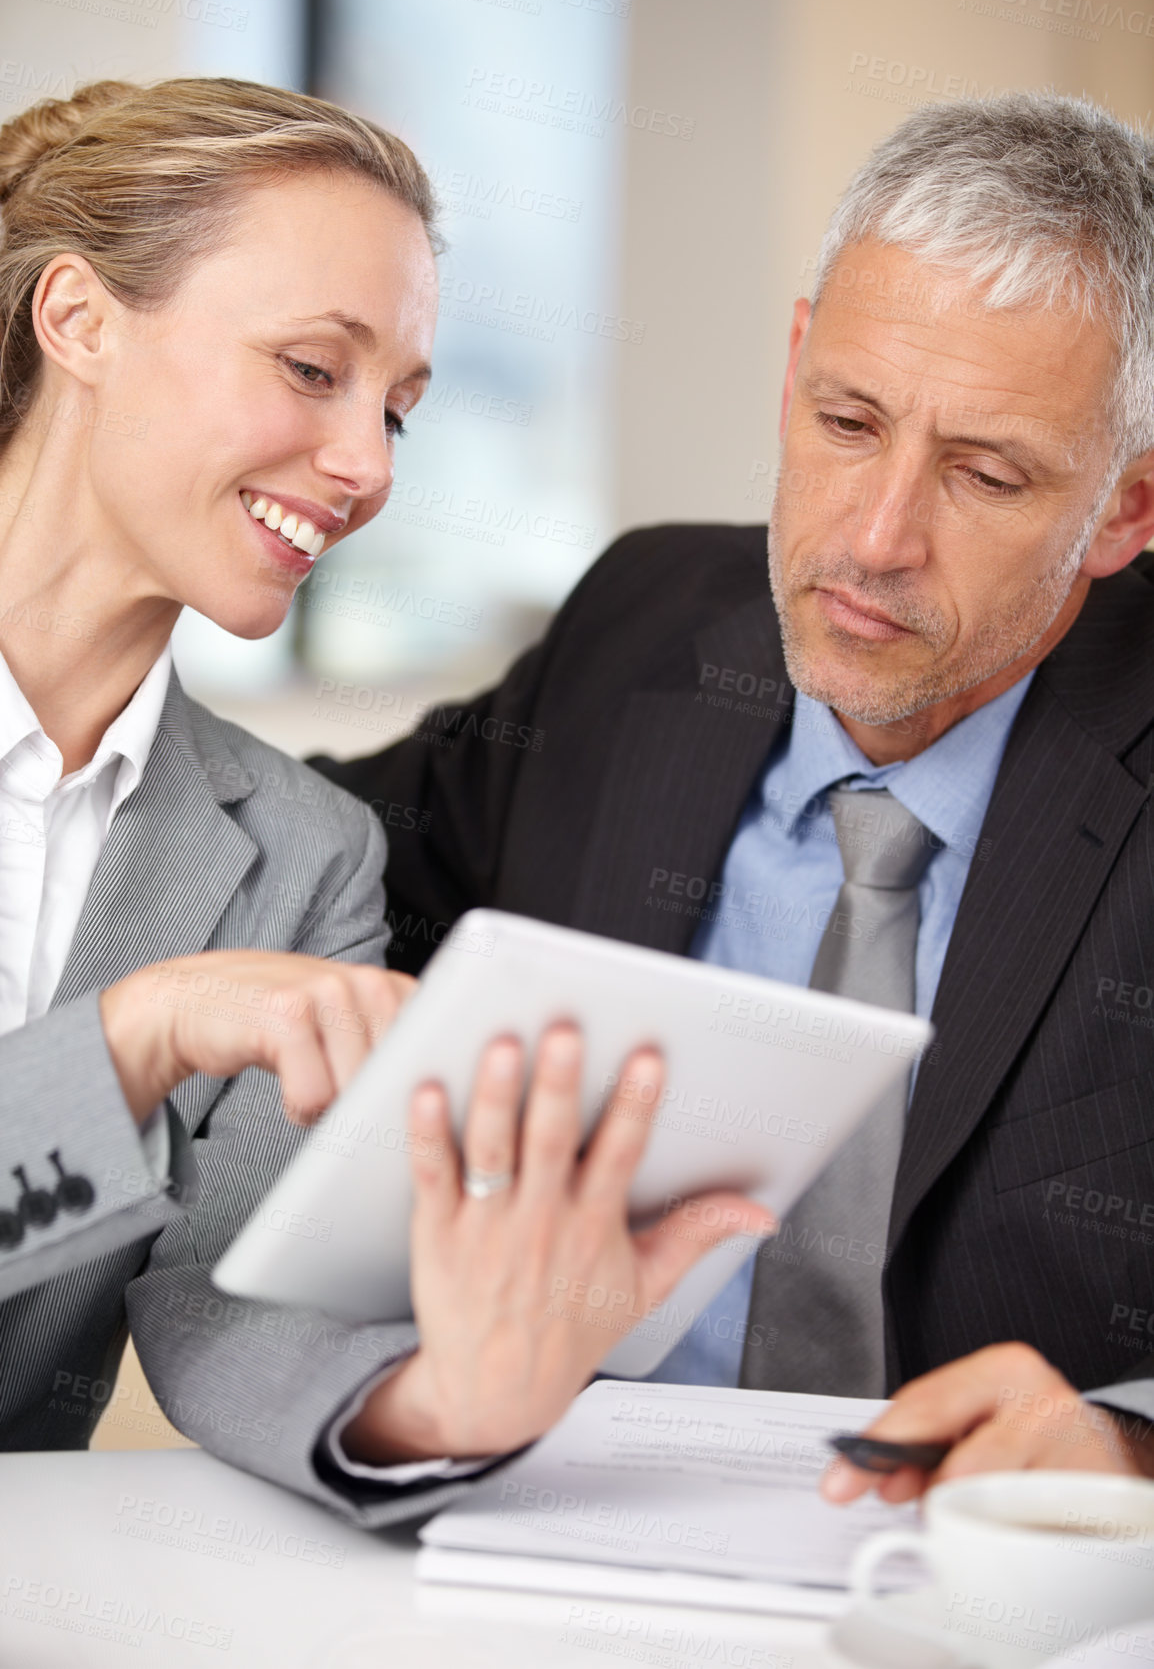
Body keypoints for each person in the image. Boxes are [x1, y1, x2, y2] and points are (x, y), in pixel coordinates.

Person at [310, 92, 1154, 1501]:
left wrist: (1128, 1444)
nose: (874, 540)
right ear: (791, 368)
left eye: (986, 473)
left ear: (1127, 508)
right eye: (845, 419)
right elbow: (311, 854)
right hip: (553, 1514)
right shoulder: (642, 620)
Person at [0, 76, 772, 1517]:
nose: (363, 467)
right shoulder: (211, 974)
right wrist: (131, 1040)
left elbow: (241, 1305)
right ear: (80, 320)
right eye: (311, 369)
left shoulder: (300, 855)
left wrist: (444, 1402)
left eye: (399, 411)